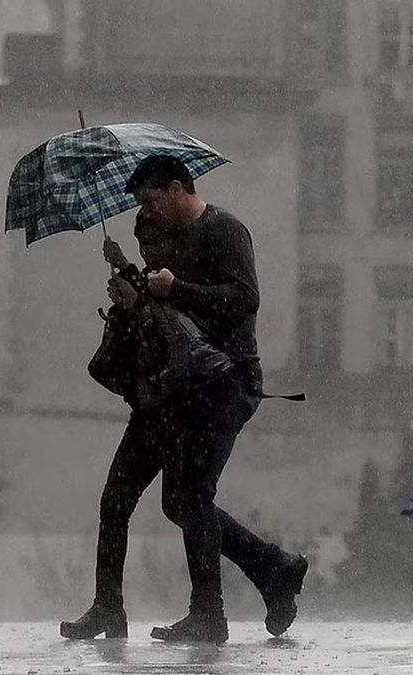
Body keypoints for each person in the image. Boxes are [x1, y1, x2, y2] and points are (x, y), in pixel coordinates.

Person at [132, 154, 307, 644]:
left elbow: (244, 299)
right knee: (180, 499)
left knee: (189, 495)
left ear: (174, 188)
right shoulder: (180, 241)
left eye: (151, 201)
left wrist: (177, 288)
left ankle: (211, 611)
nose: (149, 212)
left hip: (228, 381)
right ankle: (273, 569)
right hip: (194, 385)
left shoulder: (225, 229)